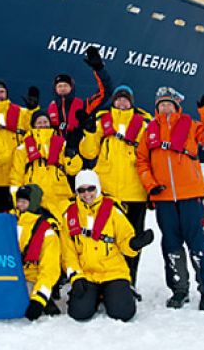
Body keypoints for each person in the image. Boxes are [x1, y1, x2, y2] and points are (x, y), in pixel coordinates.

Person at [136, 87, 204, 313]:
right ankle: (179, 289)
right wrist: (150, 184)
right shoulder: (149, 132)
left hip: (190, 196)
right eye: (161, 105)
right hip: (164, 198)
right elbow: (142, 162)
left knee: (197, 243)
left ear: (176, 107)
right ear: (156, 108)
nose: (165, 107)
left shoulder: (191, 126)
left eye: (169, 104)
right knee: (171, 245)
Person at [78, 84, 151, 297]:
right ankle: (106, 283)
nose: (121, 102)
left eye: (125, 99)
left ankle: (129, 282)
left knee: (133, 241)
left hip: (135, 192)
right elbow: (88, 152)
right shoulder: (102, 121)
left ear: (132, 102)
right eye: (118, 98)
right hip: (108, 193)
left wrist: (152, 188)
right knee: (104, 239)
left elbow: (151, 155)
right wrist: (90, 133)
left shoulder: (144, 124)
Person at [60, 170, 154, 323]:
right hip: (87, 273)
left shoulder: (112, 210)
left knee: (123, 313)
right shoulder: (69, 216)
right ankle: (95, 296)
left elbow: (125, 240)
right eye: (81, 190)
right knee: (79, 313)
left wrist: (134, 244)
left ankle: (117, 292)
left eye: (91, 188)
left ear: (97, 188)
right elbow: (68, 254)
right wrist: (76, 277)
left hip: (113, 271)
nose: (87, 194)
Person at [10, 110, 82, 219]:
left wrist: (71, 153)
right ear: (33, 125)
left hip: (60, 197)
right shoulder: (23, 148)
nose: (43, 125)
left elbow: (73, 170)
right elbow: (16, 177)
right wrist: (17, 201)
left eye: (45, 121)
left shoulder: (62, 143)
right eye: (39, 122)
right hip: (34, 199)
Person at [0, 79, 38, 212]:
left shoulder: (21, 112)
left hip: (13, 174)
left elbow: (36, 126)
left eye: (1, 92)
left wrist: (33, 109)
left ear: (7, 94)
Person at [12, 184, 62, 321]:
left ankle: (43, 298)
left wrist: (38, 299)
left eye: (24, 201)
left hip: (31, 279)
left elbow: (49, 269)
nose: (20, 204)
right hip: (9, 276)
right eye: (18, 200)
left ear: (33, 203)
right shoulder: (9, 221)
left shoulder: (46, 231)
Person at [47, 46, 111, 138]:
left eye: (65, 85)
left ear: (71, 88)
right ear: (55, 89)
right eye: (59, 86)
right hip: (56, 151)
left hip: (78, 149)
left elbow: (105, 92)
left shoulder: (84, 106)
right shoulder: (50, 109)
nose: (62, 88)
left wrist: (99, 69)